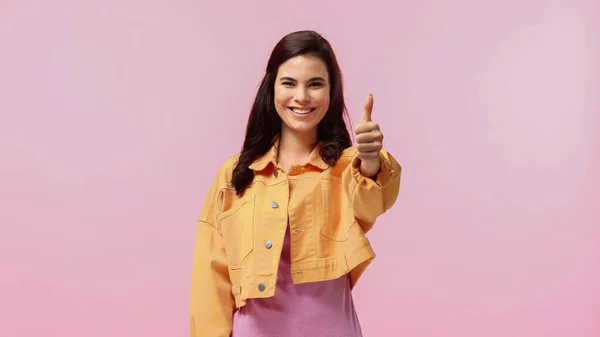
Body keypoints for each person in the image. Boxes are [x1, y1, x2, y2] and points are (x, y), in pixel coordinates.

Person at [189, 30, 402, 337]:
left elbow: (373, 200)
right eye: (289, 83)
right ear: (271, 88)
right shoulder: (236, 174)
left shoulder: (348, 167)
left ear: (332, 91)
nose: (301, 96)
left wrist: (370, 160)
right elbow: (211, 279)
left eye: (315, 84)